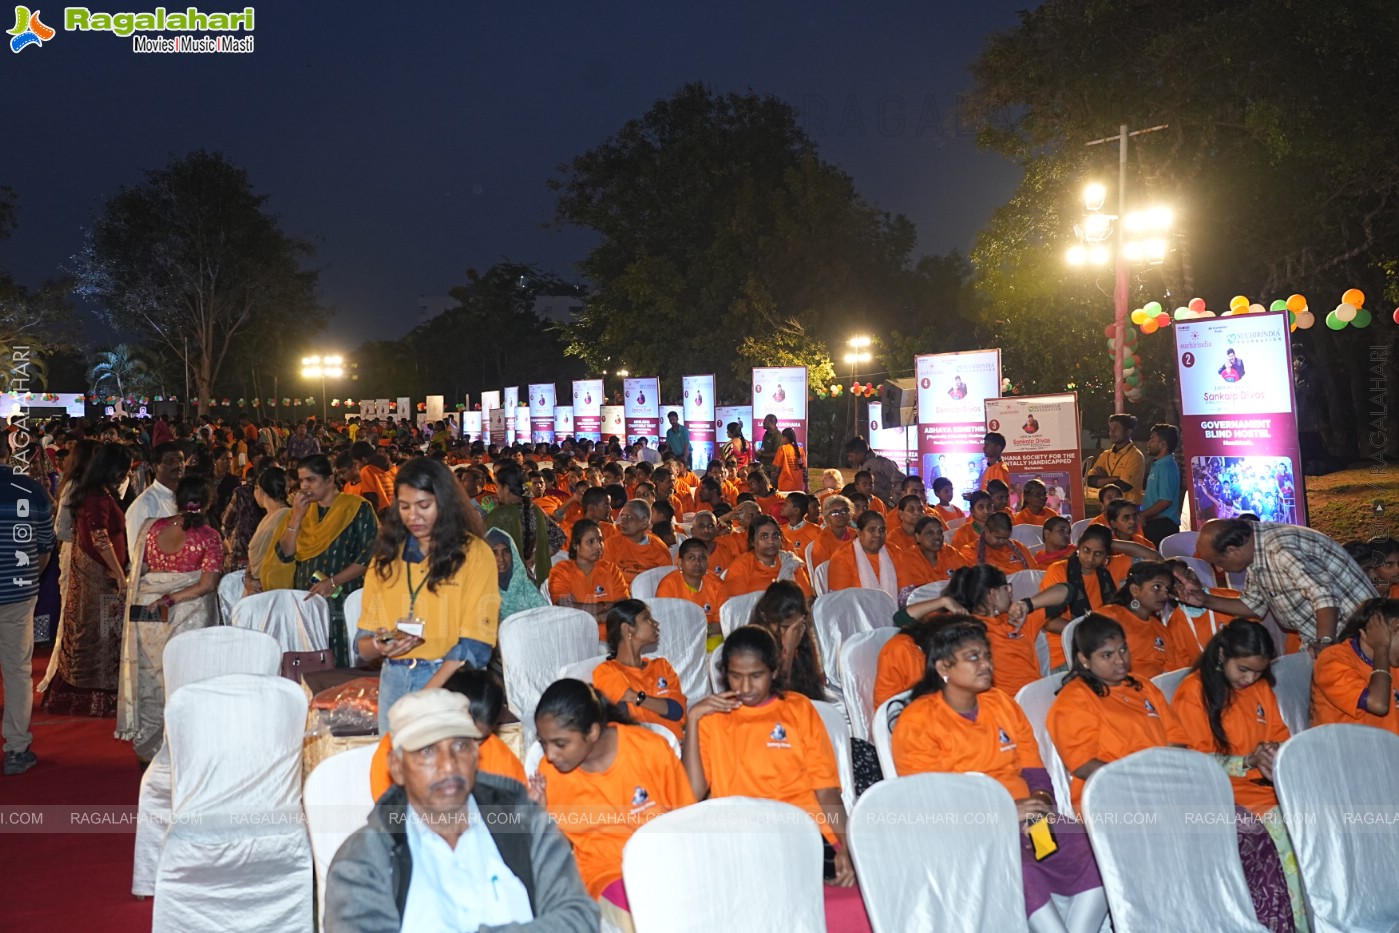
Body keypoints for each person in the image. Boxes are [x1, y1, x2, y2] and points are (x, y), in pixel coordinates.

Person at [891, 617, 1108, 933]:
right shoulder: (917, 722)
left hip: (1029, 822)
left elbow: (1034, 770)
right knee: (1022, 872)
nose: (986, 664)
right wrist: (1004, 813)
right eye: (973, 657)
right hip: (970, 832)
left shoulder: (1001, 703)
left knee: (1090, 849)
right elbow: (933, 804)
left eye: (987, 655)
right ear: (944, 668)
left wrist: (1040, 803)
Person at [325, 689, 598, 932]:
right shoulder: (364, 859)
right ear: (397, 767)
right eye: (427, 751)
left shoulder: (526, 825)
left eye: (460, 745)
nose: (449, 766)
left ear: (477, 754)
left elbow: (578, 917)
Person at [684, 626, 868, 930]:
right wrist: (693, 720)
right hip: (742, 837)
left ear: (774, 670)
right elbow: (690, 793)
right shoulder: (713, 719)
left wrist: (848, 846)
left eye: (756, 675)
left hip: (805, 830)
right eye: (735, 676)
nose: (745, 686)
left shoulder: (798, 709)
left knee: (855, 903)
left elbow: (826, 790)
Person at [1172, 621, 1309, 932]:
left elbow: (1279, 734)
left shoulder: (1259, 686)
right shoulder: (1194, 692)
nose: (1250, 679)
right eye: (1244, 669)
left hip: (1271, 789)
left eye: (1258, 672)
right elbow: (1194, 762)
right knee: (1287, 839)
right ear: (1222, 655)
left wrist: (1274, 752)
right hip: (1228, 797)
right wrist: (1247, 762)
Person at [529, 680, 694, 929]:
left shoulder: (649, 750)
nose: (550, 755)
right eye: (543, 743)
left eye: (560, 744)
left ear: (593, 732)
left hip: (662, 862)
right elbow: (557, 853)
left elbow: (688, 821)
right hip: (605, 874)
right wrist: (540, 815)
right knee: (639, 915)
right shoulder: (549, 772)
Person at [354, 458, 501, 732]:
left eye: (424, 506)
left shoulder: (475, 555)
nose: (413, 517)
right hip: (394, 678)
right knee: (396, 766)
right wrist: (380, 645)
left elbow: (474, 646)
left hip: (448, 682)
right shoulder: (386, 557)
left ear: (445, 503)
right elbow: (361, 643)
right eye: (405, 506)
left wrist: (424, 696)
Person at [117, 475, 223, 762]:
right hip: (188, 613)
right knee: (186, 676)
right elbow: (207, 585)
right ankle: (186, 744)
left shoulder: (152, 528)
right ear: (208, 502)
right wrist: (171, 598)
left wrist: (158, 596)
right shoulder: (210, 537)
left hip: (148, 610)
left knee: (152, 674)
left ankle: (150, 746)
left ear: (176, 500)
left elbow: (142, 567)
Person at [1047, 613, 1187, 811]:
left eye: (1123, 650)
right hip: (1112, 797)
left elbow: (1176, 737)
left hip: (1165, 787)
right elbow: (1083, 765)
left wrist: (1168, 777)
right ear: (1084, 660)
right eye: (1107, 655)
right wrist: (1142, 782)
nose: (1120, 660)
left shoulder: (1142, 685)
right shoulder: (1074, 700)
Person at [1186, 518, 1378, 651]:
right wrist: (1204, 600)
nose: (1220, 570)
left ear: (1233, 550)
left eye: (1218, 562)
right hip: (1333, 637)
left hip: (1362, 635)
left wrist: (1325, 644)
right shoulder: (1256, 550)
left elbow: (1323, 596)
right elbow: (1253, 605)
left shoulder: (1278, 547)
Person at [264, 453, 379, 667]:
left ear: (329, 479)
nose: (305, 486)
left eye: (311, 480)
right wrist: (297, 516)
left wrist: (333, 582)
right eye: (301, 481)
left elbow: (370, 555)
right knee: (309, 654)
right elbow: (286, 553)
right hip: (307, 598)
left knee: (340, 655)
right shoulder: (301, 510)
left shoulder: (356, 508)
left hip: (343, 596)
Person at [44, 442, 132, 717]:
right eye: (122, 471)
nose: (124, 476)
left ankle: (103, 696)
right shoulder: (94, 496)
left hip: (102, 575)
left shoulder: (97, 492)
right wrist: (119, 573)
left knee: (105, 634)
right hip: (100, 577)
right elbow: (99, 536)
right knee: (101, 637)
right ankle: (95, 698)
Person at [370, 667, 527, 801]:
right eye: (460, 738)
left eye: (478, 739)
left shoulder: (498, 754)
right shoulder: (398, 746)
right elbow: (391, 816)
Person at [1, 453, 54, 774]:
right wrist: (28, 577)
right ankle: (17, 749)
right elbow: (45, 545)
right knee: (18, 671)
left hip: (20, 591)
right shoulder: (30, 490)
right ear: (7, 455)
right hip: (18, 592)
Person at [592, 600, 687, 741]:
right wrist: (660, 705)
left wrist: (634, 696)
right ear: (627, 628)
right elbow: (626, 722)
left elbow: (677, 712)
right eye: (646, 618)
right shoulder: (606, 671)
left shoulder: (662, 665)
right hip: (644, 750)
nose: (655, 623)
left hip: (676, 746)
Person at [1311, 598, 1399, 734]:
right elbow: (1378, 704)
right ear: (1394, 627)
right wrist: (1381, 647)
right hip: (1346, 750)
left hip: (1387, 749)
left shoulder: (1394, 661)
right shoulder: (1332, 661)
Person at [550, 519, 629, 639]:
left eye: (600, 540)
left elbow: (624, 606)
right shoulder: (561, 571)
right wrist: (603, 608)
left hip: (611, 638)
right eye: (590, 542)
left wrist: (586, 612)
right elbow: (566, 607)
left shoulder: (611, 569)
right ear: (576, 545)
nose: (598, 546)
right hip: (577, 637)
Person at [483, 461, 555, 586]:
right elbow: (558, 537)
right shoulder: (535, 509)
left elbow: (480, 545)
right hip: (533, 582)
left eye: (498, 487)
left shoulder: (500, 515)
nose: (497, 491)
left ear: (505, 488)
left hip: (507, 583)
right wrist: (535, 556)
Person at [721, 515, 813, 601]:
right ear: (752, 541)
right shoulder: (740, 567)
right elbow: (736, 610)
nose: (771, 541)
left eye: (775, 535)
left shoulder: (789, 562)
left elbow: (807, 599)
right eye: (764, 536)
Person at [123, 441, 184, 567]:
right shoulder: (144, 504)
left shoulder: (185, 497)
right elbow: (137, 554)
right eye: (169, 462)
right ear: (155, 467)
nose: (178, 465)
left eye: (181, 460)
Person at [656, 538, 724, 640]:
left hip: (710, 638)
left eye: (702, 558)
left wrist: (704, 631)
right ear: (680, 563)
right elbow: (668, 625)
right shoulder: (669, 585)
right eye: (691, 558)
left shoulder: (716, 584)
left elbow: (720, 624)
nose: (697, 563)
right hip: (679, 640)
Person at [827, 511, 898, 601]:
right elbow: (839, 600)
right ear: (859, 533)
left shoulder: (894, 551)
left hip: (892, 611)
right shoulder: (843, 557)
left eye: (882, 530)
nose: (878, 535)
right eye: (872, 530)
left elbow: (905, 593)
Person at [243, 466, 290, 598]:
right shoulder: (268, 517)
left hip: (272, 589)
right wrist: (247, 578)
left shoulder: (286, 516)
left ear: (260, 489)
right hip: (256, 587)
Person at [486, 527, 549, 621]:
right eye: (494, 553)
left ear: (514, 555)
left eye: (506, 552)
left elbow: (548, 616)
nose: (501, 559)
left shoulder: (525, 587)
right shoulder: (480, 589)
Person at [892, 515, 971, 591]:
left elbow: (969, 579)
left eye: (939, 532)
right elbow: (910, 597)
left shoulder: (950, 552)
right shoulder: (908, 559)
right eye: (930, 533)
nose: (937, 537)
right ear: (918, 537)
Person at [1085, 414, 1145, 504]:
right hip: (1109, 508)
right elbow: (1089, 480)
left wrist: (1102, 479)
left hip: (1129, 508)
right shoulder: (1105, 455)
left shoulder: (1136, 456)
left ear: (1128, 432)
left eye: (1116, 428)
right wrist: (1114, 479)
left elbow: (1124, 486)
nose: (1112, 432)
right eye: (1110, 428)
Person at [1139, 423, 1182, 546]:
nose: (1148, 443)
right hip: (1153, 522)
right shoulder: (1159, 464)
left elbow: (1165, 501)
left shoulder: (1166, 467)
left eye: (1152, 439)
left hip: (1162, 525)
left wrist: (1142, 515)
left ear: (1163, 444)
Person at [961, 511, 1036, 576]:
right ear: (986, 530)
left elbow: (1034, 573)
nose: (1002, 542)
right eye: (998, 538)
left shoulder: (1018, 547)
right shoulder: (970, 551)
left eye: (1005, 538)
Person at [843, 437, 905, 507]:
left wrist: (891, 504)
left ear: (860, 453)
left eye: (851, 456)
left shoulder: (882, 463)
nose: (849, 459)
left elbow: (901, 482)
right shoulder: (862, 466)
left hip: (884, 505)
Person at [810, 494, 857, 567]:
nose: (841, 515)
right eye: (835, 512)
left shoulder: (856, 535)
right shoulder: (822, 541)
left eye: (845, 510)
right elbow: (823, 571)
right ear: (827, 517)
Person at [772, 427, 807, 493]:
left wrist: (772, 485)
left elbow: (776, 470)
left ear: (785, 437)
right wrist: (807, 486)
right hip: (799, 487)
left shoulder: (782, 449)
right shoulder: (801, 450)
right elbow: (804, 471)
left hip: (785, 487)